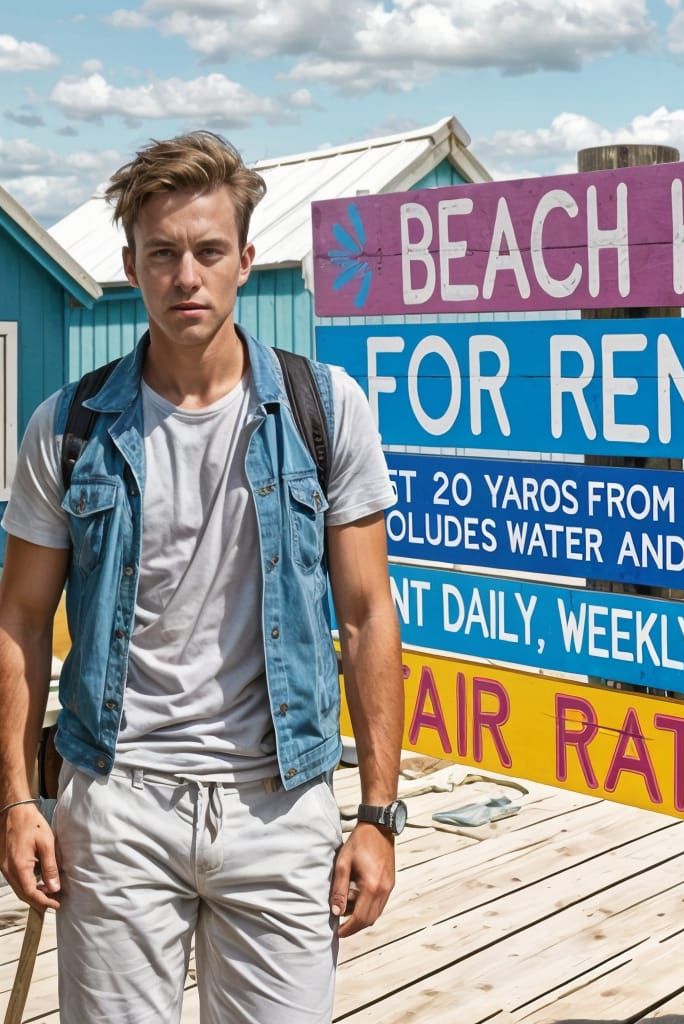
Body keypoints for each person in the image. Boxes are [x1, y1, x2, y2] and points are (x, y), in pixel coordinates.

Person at [0, 130, 404, 1023]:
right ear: (132, 266)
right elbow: (19, 621)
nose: (188, 275)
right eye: (164, 253)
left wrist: (378, 812)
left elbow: (370, 613)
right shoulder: (67, 428)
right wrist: (20, 801)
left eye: (209, 251)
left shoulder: (325, 410)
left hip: (280, 807)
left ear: (245, 261)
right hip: (115, 810)